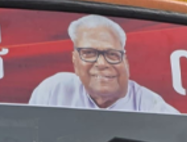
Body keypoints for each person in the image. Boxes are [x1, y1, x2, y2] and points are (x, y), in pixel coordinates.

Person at [29, 15, 179, 113]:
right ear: (75, 61)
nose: (101, 63)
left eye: (112, 54)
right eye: (89, 53)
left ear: (125, 63)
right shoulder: (53, 91)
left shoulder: (151, 106)